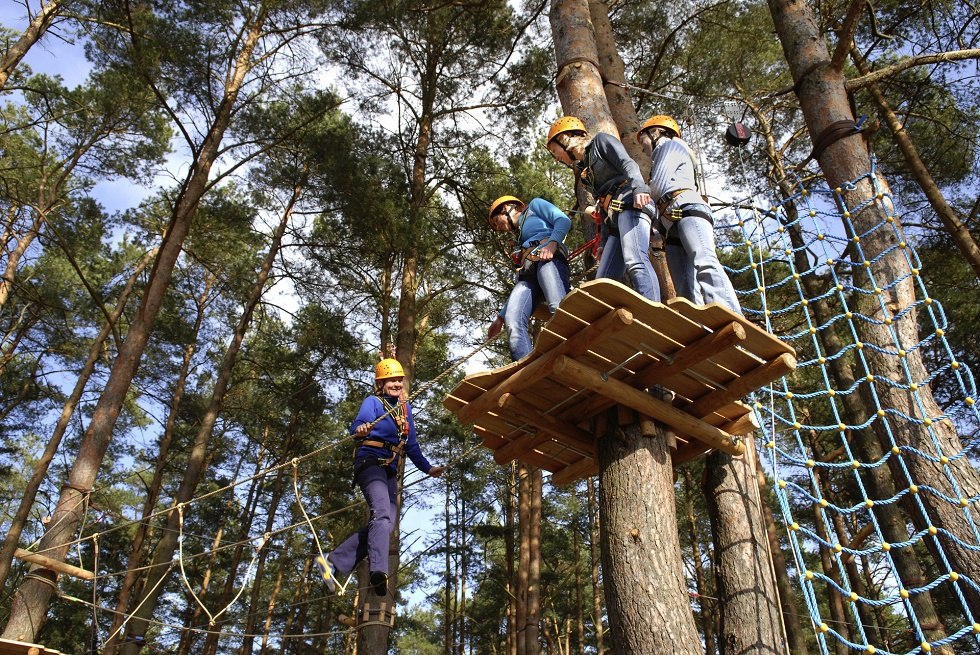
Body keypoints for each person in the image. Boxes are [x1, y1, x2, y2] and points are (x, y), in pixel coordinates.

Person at [316, 358, 445, 596]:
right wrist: (360, 429)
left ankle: (333, 561)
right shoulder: (373, 402)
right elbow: (357, 425)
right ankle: (378, 571)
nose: (397, 384)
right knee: (382, 515)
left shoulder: (405, 411)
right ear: (381, 383)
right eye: (391, 380)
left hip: (389, 471)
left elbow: (412, 446)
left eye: (399, 380)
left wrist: (428, 468)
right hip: (370, 463)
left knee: (385, 526)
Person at [545, 116, 661, 302]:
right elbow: (604, 206)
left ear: (564, 138)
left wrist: (639, 187)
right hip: (615, 218)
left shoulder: (600, 142)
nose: (556, 157)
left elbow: (627, 163)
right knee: (603, 281)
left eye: (554, 150)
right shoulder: (585, 172)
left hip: (632, 202)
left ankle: (654, 311)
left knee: (635, 260)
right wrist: (603, 242)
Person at [636, 114, 742, 314]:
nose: (643, 147)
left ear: (656, 132)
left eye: (644, 140)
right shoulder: (662, 152)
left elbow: (658, 186)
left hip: (688, 209)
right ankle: (697, 325)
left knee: (704, 261)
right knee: (684, 283)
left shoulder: (670, 146)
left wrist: (637, 203)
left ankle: (730, 314)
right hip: (671, 222)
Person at [486, 195, 572, 361]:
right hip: (528, 273)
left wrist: (552, 243)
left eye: (497, 222)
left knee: (557, 306)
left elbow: (563, 220)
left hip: (547, 258)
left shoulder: (534, 206)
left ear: (506, 208)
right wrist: (500, 318)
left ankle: (572, 349)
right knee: (513, 320)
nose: (500, 228)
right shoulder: (521, 239)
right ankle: (525, 366)